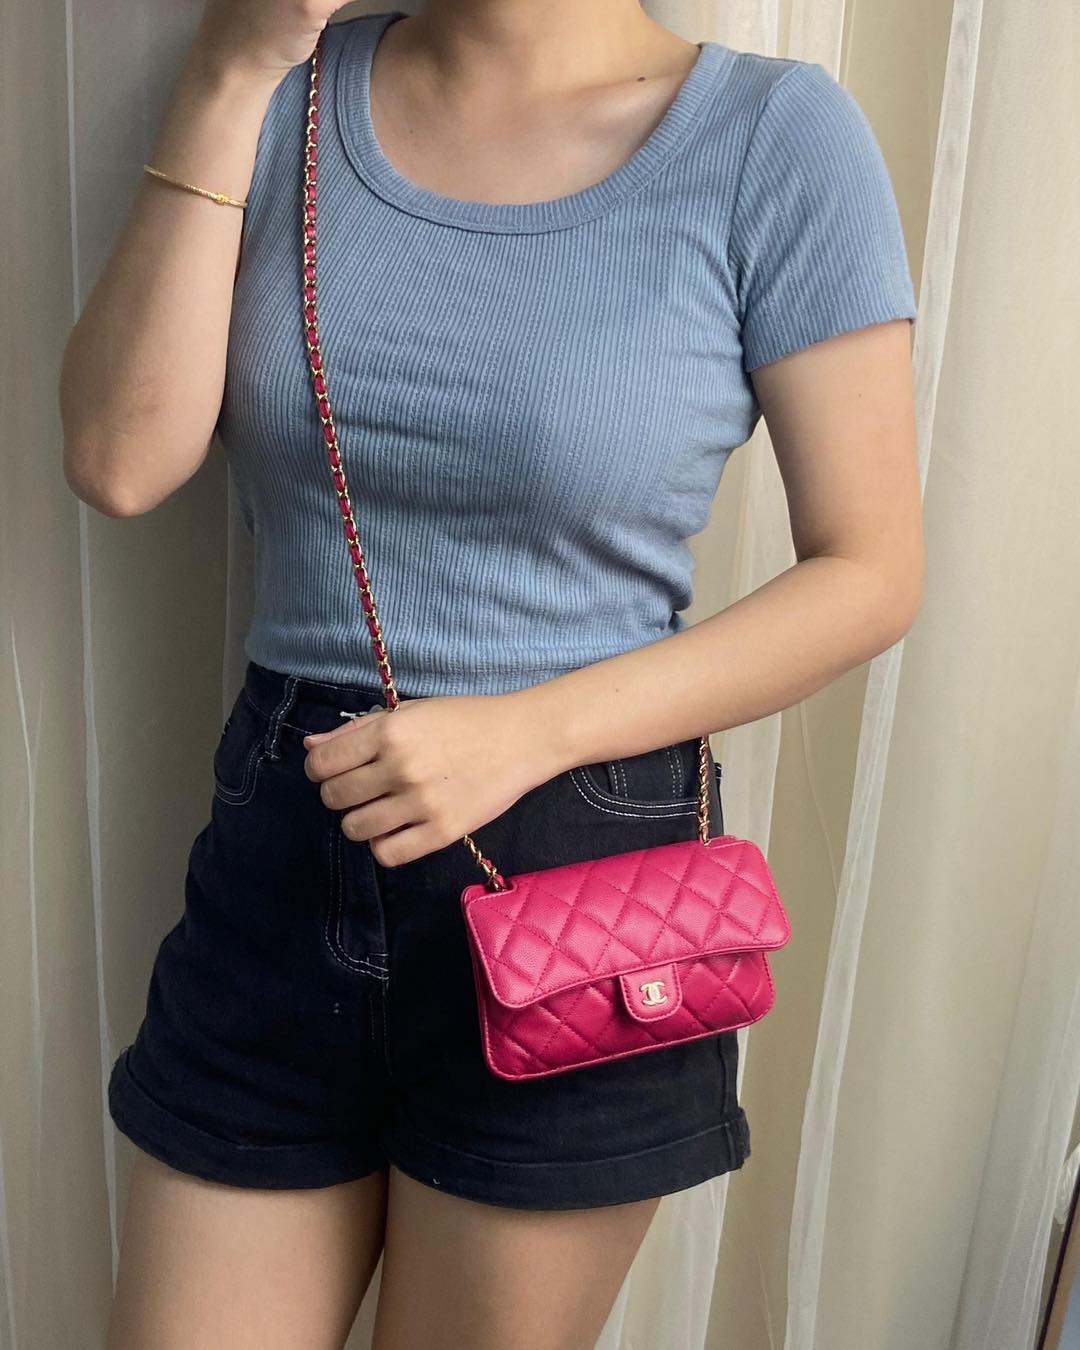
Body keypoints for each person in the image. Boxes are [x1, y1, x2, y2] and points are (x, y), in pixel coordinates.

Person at [59, 1, 922, 1346]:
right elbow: (119, 460)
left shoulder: (774, 138)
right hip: (286, 849)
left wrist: (526, 734)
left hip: (579, 869)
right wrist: (230, 68)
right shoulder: (282, 92)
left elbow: (870, 569)